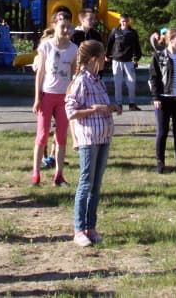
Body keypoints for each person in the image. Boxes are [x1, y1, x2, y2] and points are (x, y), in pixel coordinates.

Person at [65, 40, 120, 247]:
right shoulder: (80, 81)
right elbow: (71, 111)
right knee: (86, 183)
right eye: (104, 55)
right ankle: (79, 229)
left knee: (96, 185)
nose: (107, 59)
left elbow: (102, 104)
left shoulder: (98, 80)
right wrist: (94, 109)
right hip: (89, 138)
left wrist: (111, 107)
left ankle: (91, 226)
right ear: (94, 59)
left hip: (103, 137)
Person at [32, 19, 77, 186]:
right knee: (42, 135)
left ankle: (59, 175)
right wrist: (37, 98)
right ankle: (36, 173)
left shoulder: (74, 49)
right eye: (62, 26)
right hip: (47, 95)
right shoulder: (46, 46)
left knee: (61, 137)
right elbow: (40, 73)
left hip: (63, 98)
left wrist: (72, 96)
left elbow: (73, 75)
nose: (65, 30)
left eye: (68, 27)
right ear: (54, 27)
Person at [149, 27, 176, 174]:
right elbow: (154, 78)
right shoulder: (159, 56)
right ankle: (160, 163)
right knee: (162, 132)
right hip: (163, 100)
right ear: (170, 39)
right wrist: (155, 97)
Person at [105, 14, 142, 112]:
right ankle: (119, 104)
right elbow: (109, 43)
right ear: (119, 21)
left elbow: (137, 46)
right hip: (116, 59)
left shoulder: (133, 33)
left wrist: (137, 58)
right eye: (122, 21)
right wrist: (107, 55)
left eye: (126, 21)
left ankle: (132, 104)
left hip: (129, 60)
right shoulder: (115, 31)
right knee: (117, 83)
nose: (124, 23)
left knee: (131, 82)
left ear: (129, 21)